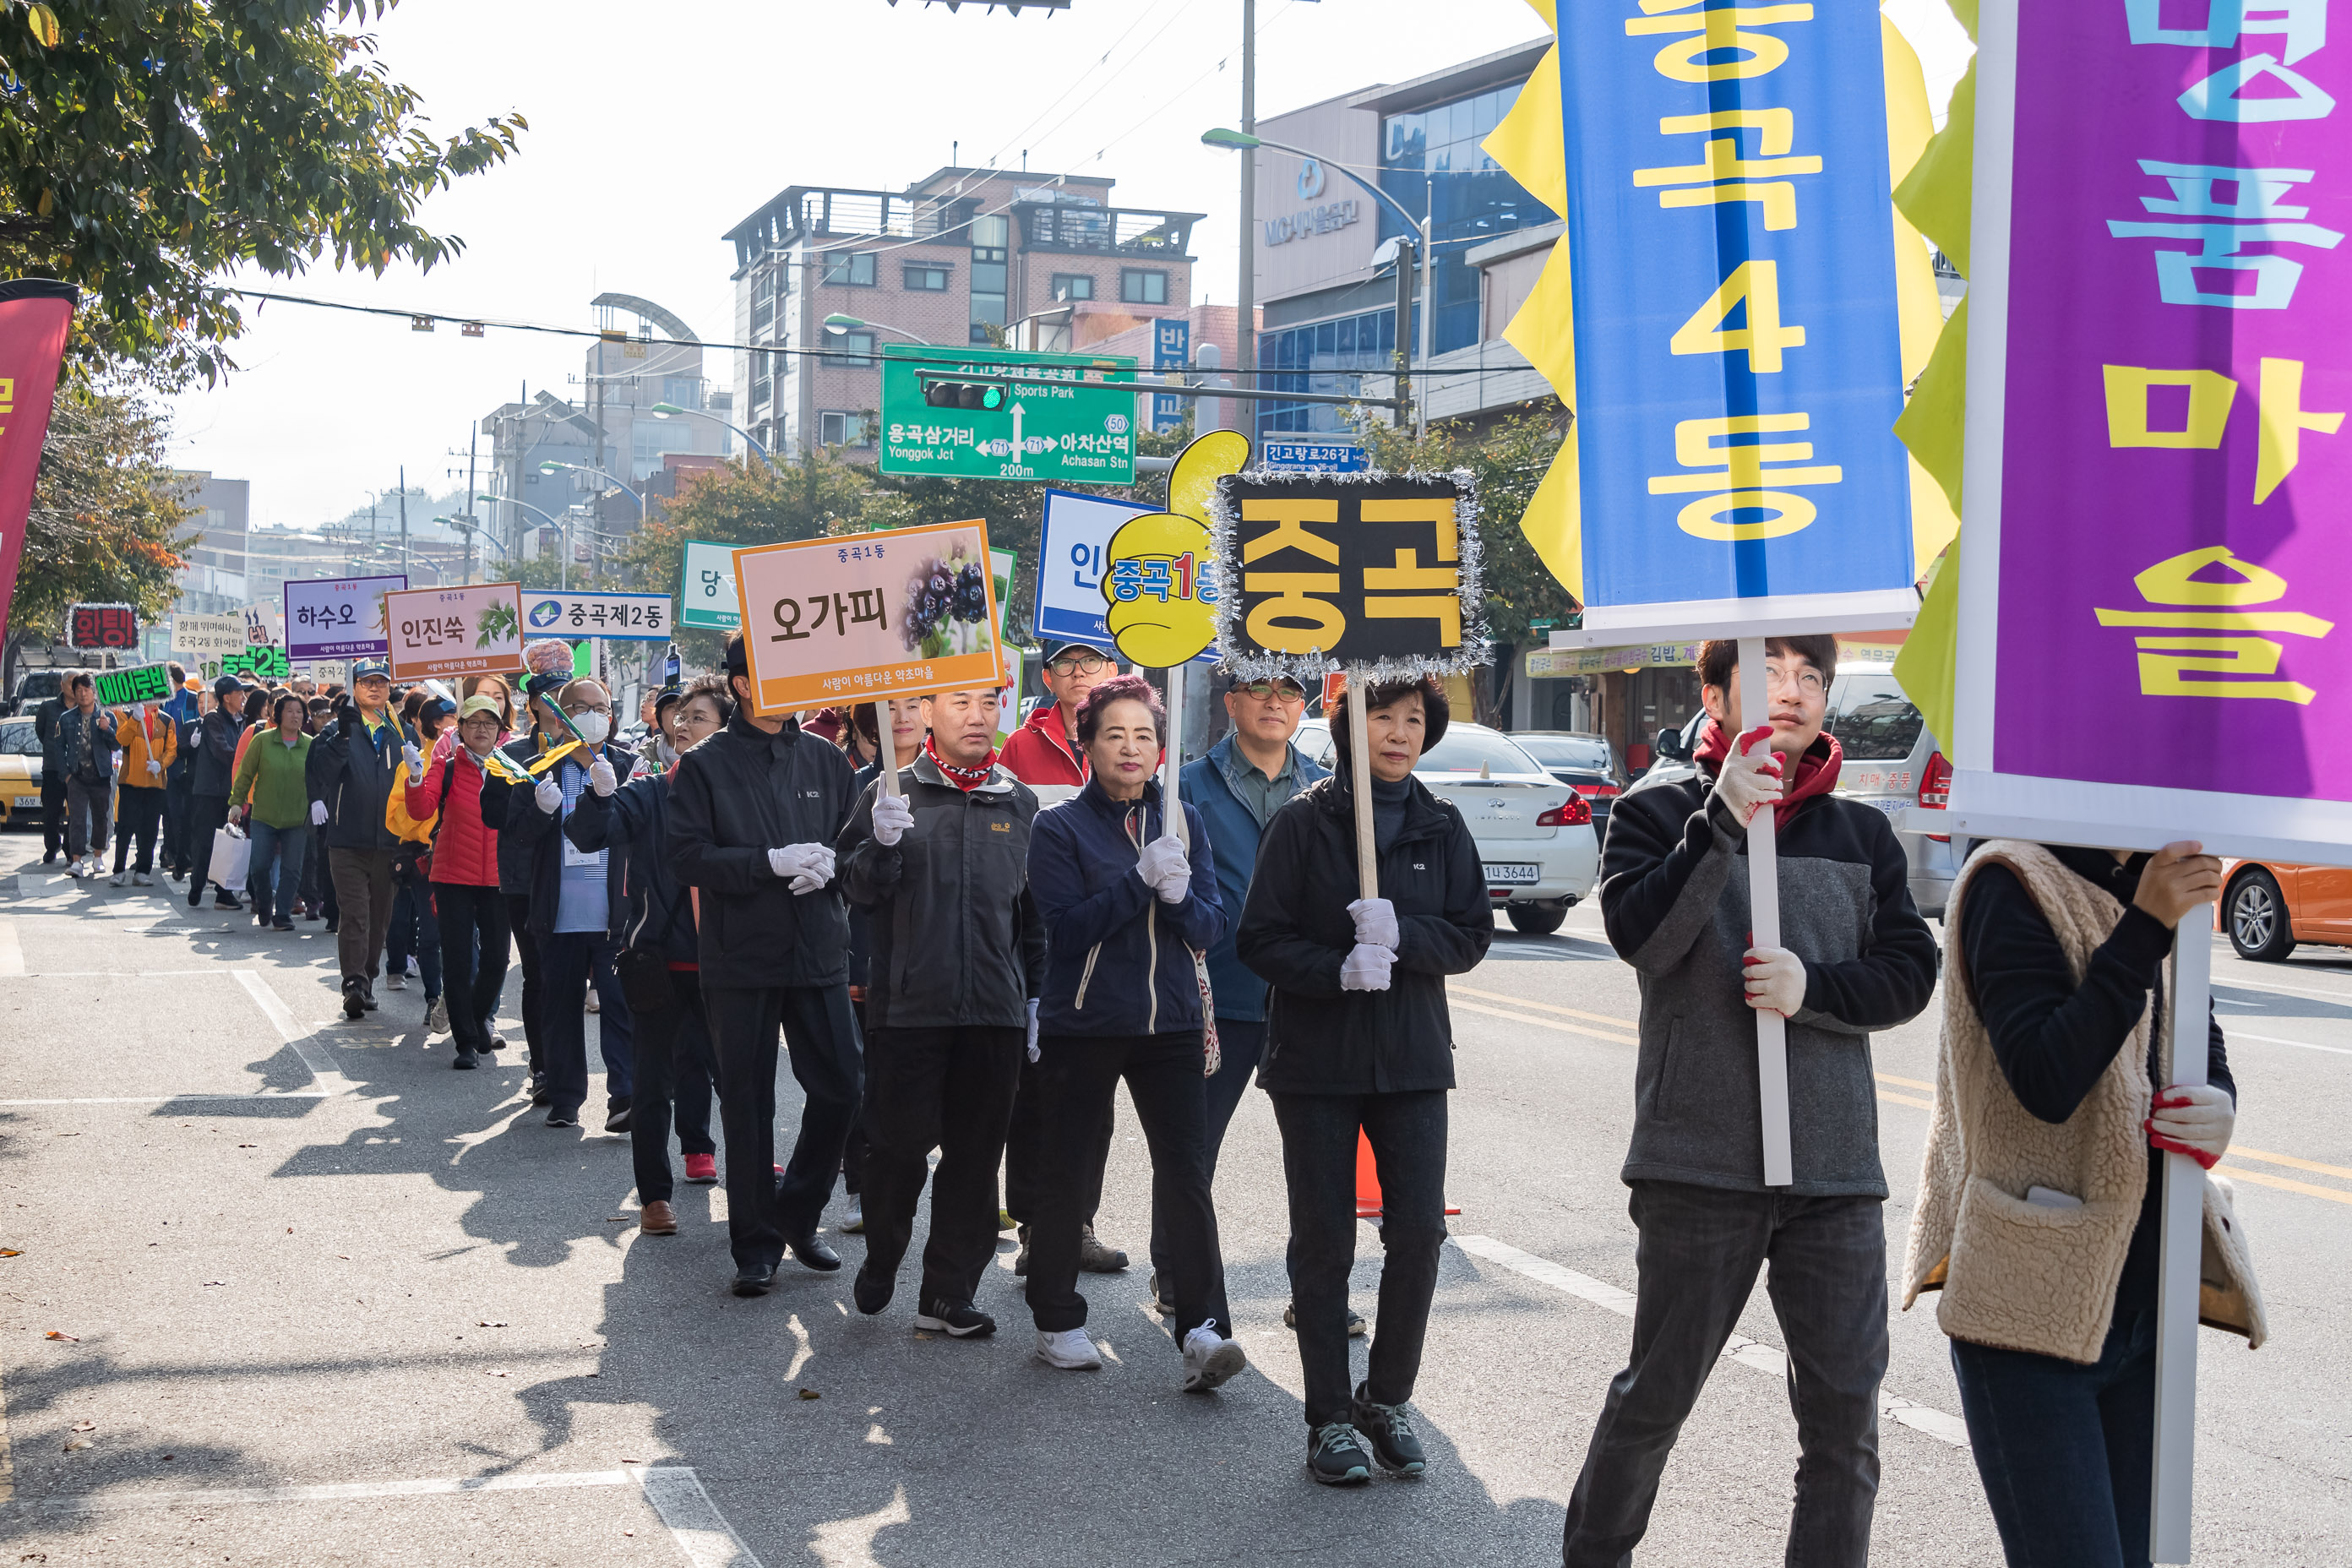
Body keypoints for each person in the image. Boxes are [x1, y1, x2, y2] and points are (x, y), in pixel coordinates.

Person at [1560, 634, 1940, 1568]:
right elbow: (1644, 937)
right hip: (1701, 1162)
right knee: (1655, 1399)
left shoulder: (1861, 835)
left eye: (1813, 677)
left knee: (1845, 1424)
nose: (1798, 693)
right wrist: (1723, 816)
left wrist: (1815, 988)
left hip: (1836, 1171)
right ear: (1716, 691)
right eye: (1773, 674)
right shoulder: (1657, 811)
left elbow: (1909, 973)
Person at [1903, 839, 2261, 1568]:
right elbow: (2046, 1079)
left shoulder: (2157, 877)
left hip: (2146, 1311)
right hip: (2027, 1316)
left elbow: (2196, 1038)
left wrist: (2219, 1102)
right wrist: (2146, 925)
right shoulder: (2008, 878)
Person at [1239, 675, 1490, 1484]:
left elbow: (1473, 933)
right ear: (1349, 725)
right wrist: (1335, 968)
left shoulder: (1442, 826)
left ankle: (1386, 1397)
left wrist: (1407, 936)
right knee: (1324, 1240)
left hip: (1413, 1060)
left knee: (1418, 1233)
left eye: (1414, 720)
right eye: (1382, 715)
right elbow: (1259, 939)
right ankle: (1327, 1418)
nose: (1398, 732)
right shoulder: (1302, 824)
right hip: (1317, 1063)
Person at [1022, 674, 1244, 1388]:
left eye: (1144, 735)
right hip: (1083, 1025)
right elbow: (1064, 930)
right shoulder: (1056, 828)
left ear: (1161, 749)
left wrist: (1180, 896)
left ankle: (1205, 1328)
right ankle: (1057, 1317)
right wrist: (1138, 882)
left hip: (1170, 1025)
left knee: (1187, 1173)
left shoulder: (1184, 822)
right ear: (1085, 744)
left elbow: (1210, 927)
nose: (1130, 748)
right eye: (1114, 734)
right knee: (1069, 1170)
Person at [836, 687, 1044, 1340]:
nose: (978, 716)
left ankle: (949, 1291)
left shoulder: (1020, 800)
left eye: (988, 702)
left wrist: (1034, 996)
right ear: (926, 713)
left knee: (976, 1157)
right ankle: (883, 1256)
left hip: (995, 1010)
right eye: (961, 703)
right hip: (909, 1008)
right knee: (896, 1149)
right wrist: (879, 846)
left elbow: (1032, 917)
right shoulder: (892, 794)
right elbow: (855, 887)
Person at [667, 629, 863, 1297]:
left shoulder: (826, 760)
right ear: (745, 685)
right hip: (740, 955)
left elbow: (855, 849)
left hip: (816, 949)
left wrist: (840, 862)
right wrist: (767, 863)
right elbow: (685, 857)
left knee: (843, 1085)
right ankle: (754, 1243)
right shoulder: (705, 765)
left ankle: (797, 1213)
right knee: (747, 1101)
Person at [1174, 672, 1337, 1329]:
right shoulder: (1186, 786)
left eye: (1290, 693)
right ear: (1231, 701)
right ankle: (1178, 1273)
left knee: (1318, 1165)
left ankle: (1318, 1294)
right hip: (1220, 997)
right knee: (1192, 1151)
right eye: (1261, 690)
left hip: (1308, 1000)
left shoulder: (1330, 789)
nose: (1276, 703)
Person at [565, 676, 728, 1228]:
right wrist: (597, 795)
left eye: (698, 717)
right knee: (652, 1083)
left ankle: (749, 1178)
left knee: (738, 1079)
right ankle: (655, 1196)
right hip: (657, 962)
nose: (682, 725)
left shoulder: (739, 796)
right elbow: (589, 834)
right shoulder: (652, 789)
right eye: (681, 716)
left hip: (728, 965)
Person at [1000, 639, 1131, 1277]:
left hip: (1116, 946)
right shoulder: (1021, 748)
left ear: (1115, 670)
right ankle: (1032, 1225)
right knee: (1036, 1094)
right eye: (1068, 665)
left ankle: (1077, 1221)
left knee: (1094, 1104)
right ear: (1048, 677)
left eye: (1094, 663)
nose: (1081, 675)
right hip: (1042, 940)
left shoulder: (1137, 734)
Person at [495, 677, 638, 1130]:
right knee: (560, 1005)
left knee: (620, 1004)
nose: (592, 715)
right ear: (560, 716)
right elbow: (516, 836)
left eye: (601, 707)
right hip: (558, 911)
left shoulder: (632, 768)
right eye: (580, 707)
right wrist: (539, 810)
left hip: (617, 913)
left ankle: (625, 1096)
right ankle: (565, 1096)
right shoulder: (537, 770)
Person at [836, 694, 929, 1234]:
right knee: (862, 1079)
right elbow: (844, 870)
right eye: (890, 704)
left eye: (916, 703)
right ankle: (858, 1184)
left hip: (938, 964)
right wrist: (877, 845)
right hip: (870, 954)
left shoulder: (969, 783)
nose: (902, 716)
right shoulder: (859, 786)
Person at [406, 694, 513, 1068]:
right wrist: (416, 778)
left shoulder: (511, 768)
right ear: (462, 730)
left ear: (500, 730)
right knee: (456, 958)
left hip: (500, 877)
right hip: (453, 875)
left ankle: (476, 1018)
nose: (481, 729)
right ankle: (466, 1042)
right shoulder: (446, 766)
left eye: (489, 723)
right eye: (473, 723)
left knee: (497, 960)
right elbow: (420, 809)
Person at [483, 674, 570, 1102]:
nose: (556, 705)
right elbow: (495, 817)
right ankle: (543, 1067)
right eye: (547, 698)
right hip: (525, 881)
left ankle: (574, 1068)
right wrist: (527, 789)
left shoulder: (592, 756)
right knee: (538, 972)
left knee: (569, 976)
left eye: (564, 698)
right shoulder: (511, 755)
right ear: (532, 704)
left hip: (579, 880)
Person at [307, 660, 406, 1021]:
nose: (375, 688)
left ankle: (367, 979)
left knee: (380, 917)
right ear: (354, 687)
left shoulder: (400, 732)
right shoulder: (335, 730)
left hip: (390, 842)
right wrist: (344, 739)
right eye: (367, 682)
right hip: (347, 840)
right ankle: (353, 983)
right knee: (355, 913)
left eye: (381, 682)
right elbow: (322, 772)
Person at [386, 695, 457, 1019]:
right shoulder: (414, 762)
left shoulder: (480, 759)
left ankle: (472, 1006)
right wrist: (419, 785)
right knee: (431, 932)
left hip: (464, 857)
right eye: (451, 717)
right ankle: (434, 998)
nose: (459, 723)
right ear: (433, 724)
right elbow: (397, 818)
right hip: (425, 857)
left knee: (468, 936)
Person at [228, 694, 314, 931]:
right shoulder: (262, 741)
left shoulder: (310, 744)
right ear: (278, 714)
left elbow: (318, 779)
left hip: (297, 817)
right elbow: (245, 774)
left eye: (299, 712)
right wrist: (237, 802)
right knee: (259, 865)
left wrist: (317, 804)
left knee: (292, 868)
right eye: (290, 711)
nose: (295, 716)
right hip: (264, 815)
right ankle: (264, 902)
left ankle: (283, 913)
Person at [999, 640, 1112, 789]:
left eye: (1090, 660)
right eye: (1064, 662)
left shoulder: (1138, 742)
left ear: (1111, 672)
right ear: (1048, 678)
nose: (1078, 672)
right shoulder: (1019, 746)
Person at [187, 676, 249, 910]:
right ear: (226, 697)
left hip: (232, 790)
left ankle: (224, 893)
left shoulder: (241, 720)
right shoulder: (213, 718)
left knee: (231, 840)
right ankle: (197, 884)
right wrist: (247, 764)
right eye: (239, 692)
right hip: (210, 791)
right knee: (206, 841)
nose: (243, 697)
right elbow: (222, 750)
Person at [57, 673, 119, 879]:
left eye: (87, 690)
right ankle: (76, 861)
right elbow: (57, 749)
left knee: (101, 816)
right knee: (77, 819)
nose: (83, 695)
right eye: (79, 691)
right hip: (77, 777)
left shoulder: (106, 716)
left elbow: (117, 745)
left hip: (101, 776)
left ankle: (98, 857)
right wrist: (66, 775)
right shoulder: (66, 718)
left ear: (94, 692)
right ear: (74, 693)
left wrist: (107, 729)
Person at [109, 699, 177, 887]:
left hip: (156, 783)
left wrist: (160, 764)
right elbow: (121, 740)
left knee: (150, 829)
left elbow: (172, 750)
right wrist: (133, 722)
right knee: (125, 828)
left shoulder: (167, 720)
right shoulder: (127, 716)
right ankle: (119, 870)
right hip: (130, 781)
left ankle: (143, 871)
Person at [160, 666, 199, 879]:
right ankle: (171, 854)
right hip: (167, 765)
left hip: (186, 764)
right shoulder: (164, 701)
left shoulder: (192, 700)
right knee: (170, 813)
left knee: (186, 814)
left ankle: (188, 856)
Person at [33, 679, 69, 866]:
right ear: (62, 685)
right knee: (51, 812)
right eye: (70, 684)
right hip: (52, 768)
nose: (74, 688)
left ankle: (71, 849)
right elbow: (40, 731)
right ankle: (52, 846)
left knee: (77, 813)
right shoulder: (48, 707)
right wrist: (51, 749)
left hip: (75, 770)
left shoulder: (84, 707)